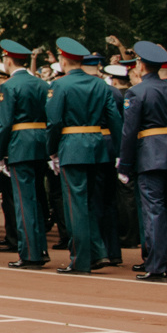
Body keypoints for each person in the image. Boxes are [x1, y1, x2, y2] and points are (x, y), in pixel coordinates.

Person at [116, 42, 167, 280]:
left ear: (140, 65)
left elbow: (129, 132)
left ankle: (157, 265)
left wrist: (125, 165)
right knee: (163, 208)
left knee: (153, 210)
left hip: (149, 155)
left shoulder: (137, 92)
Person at [46, 36, 114, 274]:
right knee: (91, 204)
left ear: (63, 61)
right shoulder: (101, 84)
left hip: (72, 146)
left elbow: (54, 122)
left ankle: (80, 260)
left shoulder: (60, 85)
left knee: (75, 206)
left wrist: (51, 150)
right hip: (97, 146)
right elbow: (115, 120)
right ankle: (98, 252)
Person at [0, 39, 52, 268]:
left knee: (24, 202)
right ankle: (40, 248)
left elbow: (4, 124)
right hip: (40, 143)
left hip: (20, 145)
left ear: (7, 60)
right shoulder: (42, 84)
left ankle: (30, 253)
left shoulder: (8, 86)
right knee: (36, 199)